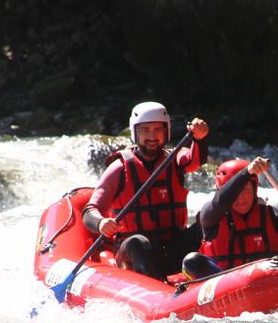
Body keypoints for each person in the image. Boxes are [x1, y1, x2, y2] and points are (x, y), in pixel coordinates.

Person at [82, 101, 210, 280]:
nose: (152, 136)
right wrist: (101, 223)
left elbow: (195, 159)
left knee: (208, 220)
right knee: (138, 242)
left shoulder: (175, 159)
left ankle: (217, 273)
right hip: (134, 254)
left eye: (158, 129)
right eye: (145, 130)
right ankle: (158, 291)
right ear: (135, 132)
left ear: (167, 131)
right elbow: (89, 212)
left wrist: (199, 138)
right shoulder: (119, 168)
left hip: (172, 247)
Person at [182, 156, 278, 279]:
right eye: (235, 193)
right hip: (222, 280)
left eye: (246, 190)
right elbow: (219, 202)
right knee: (191, 261)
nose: (241, 198)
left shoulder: (269, 214)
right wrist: (247, 172)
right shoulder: (211, 215)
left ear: (255, 189)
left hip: (267, 277)